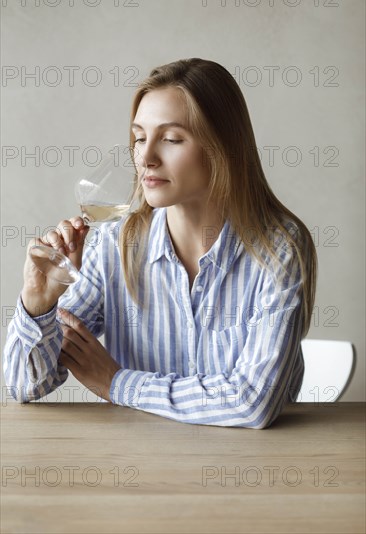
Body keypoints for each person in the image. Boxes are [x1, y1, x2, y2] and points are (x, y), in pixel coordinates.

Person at [3, 58, 317, 428]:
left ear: (222, 148)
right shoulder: (111, 247)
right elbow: (24, 386)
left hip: (248, 471)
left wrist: (118, 383)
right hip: (138, 471)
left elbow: (253, 403)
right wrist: (38, 306)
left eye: (170, 139)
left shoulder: (279, 250)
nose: (146, 158)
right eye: (139, 138)